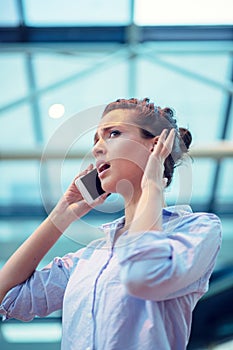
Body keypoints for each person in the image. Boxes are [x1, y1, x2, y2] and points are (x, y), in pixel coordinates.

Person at [0, 98, 221, 350]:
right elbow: (7, 296)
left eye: (113, 133)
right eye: (95, 140)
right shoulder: (90, 256)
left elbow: (143, 276)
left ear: (156, 145)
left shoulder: (197, 229)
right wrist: (61, 216)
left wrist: (152, 184)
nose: (97, 149)